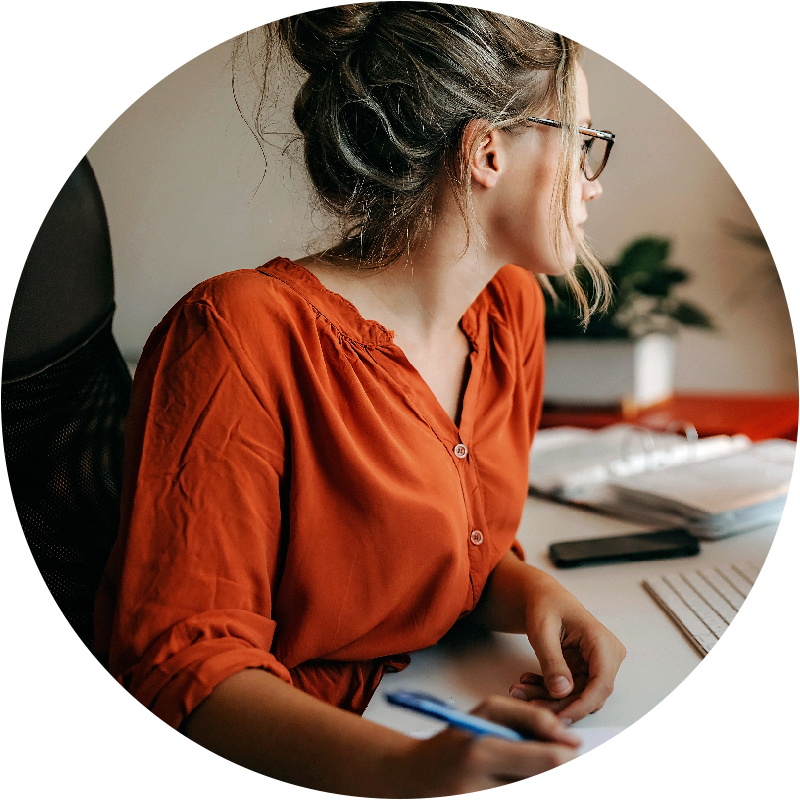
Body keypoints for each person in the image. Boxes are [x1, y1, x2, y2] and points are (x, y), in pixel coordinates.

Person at [94, 4, 626, 795]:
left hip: (425, 705)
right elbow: (182, 664)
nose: (593, 183)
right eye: (582, 142)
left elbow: (445, 553)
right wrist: (407, 772)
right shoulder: (239, 333)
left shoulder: (508, 311)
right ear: (486, 152)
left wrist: (531, 589)